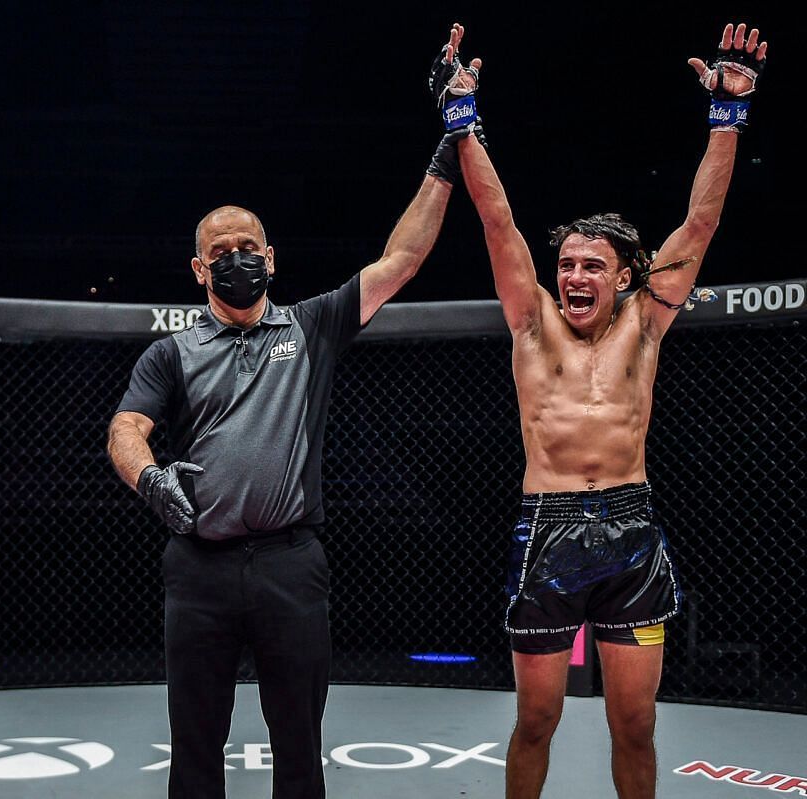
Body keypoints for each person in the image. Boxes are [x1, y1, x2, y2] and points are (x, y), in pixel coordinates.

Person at [105, 36, 480, 797]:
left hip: (289, 562)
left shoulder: (311, 326)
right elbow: (124, 429)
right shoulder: (172, 353)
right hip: (199, 565)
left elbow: (400, 258)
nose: (236, 257)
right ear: (198, 268)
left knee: (300, 747)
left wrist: (452, 140)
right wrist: (149, 479)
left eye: (248, 246)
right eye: (221, 250)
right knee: (195, 748)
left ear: (271, 258)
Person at [442, 21, 768, 799]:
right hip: (547, 525)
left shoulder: (648, 319)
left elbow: (699, 224)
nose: (575, 275)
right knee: (536, 720)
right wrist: (461, 121)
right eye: (567, 264)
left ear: (625, 275)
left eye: (593, 265)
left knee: (635, 723)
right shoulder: (531, 320)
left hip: (631, 528)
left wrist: (727, 120)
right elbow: (496, 218)